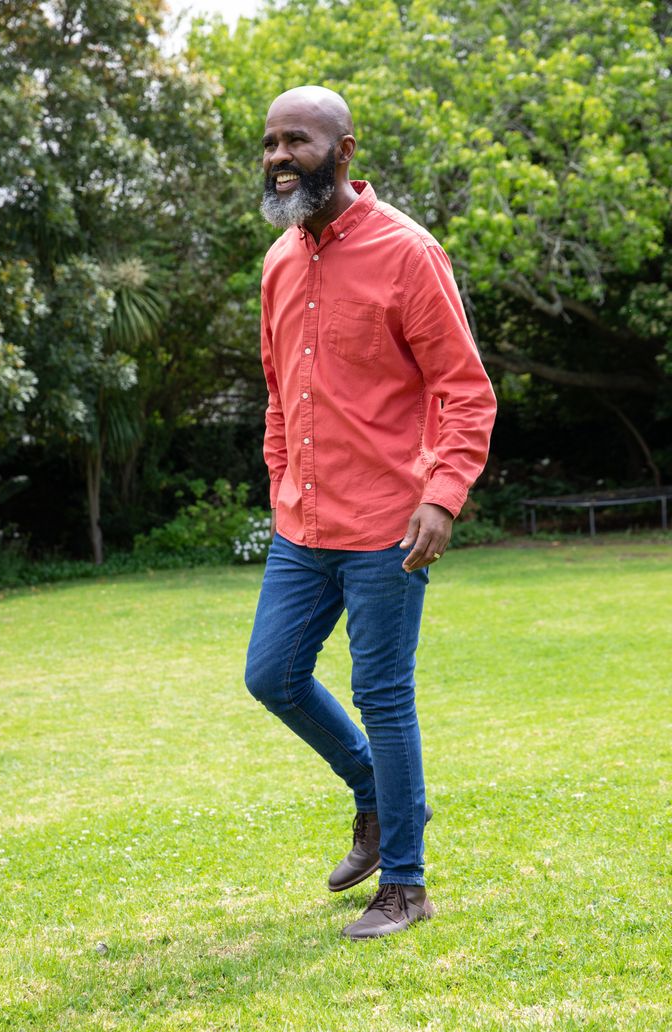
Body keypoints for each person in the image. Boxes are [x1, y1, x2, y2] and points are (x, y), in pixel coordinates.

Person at [245, 85, 497, 940]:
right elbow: (279, 394)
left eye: (299, 141)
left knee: (383, 694)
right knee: (270, 674)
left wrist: (443, 496)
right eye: (271, 142)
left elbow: (464, 391)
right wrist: (281, 477)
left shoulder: (408, 253)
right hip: (301, 524)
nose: (281, 157)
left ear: (345, 151)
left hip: (390, 520)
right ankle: (375, 800)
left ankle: (407, 885)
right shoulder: (281, 259)